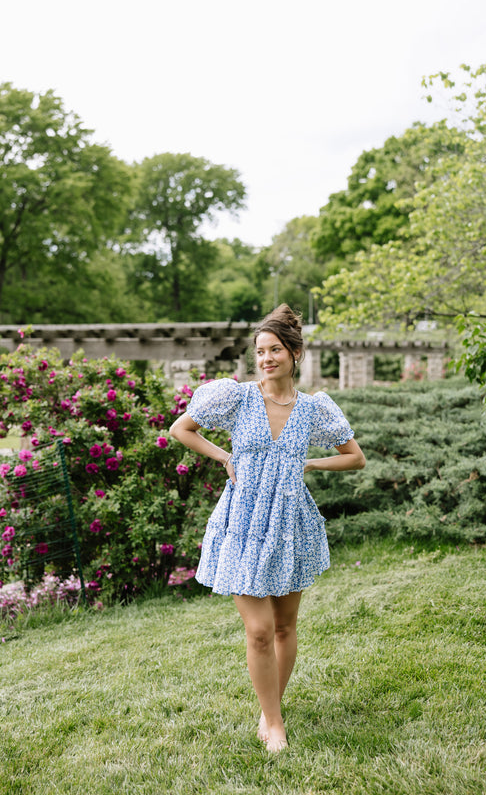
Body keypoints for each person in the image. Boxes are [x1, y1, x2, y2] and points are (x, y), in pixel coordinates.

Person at [169, 304, 365, 752]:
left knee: (283, 627)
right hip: (242, 521)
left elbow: (355, 456)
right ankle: (274, 722)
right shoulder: (236, 398)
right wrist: (223, 457)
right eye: (260, 351)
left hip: (290, 524)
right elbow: (182, 429)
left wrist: (309, 462)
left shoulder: (314, 409)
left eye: (275, 349)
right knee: (257, 630)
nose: (266, 358)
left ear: (295, 353)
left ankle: (269, 707)